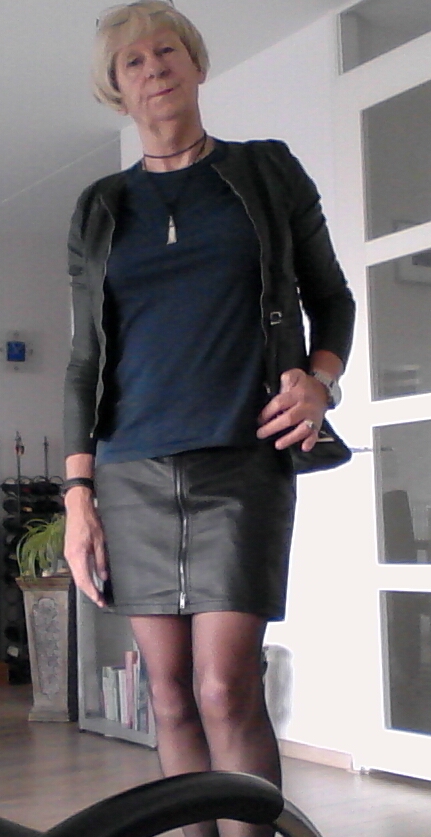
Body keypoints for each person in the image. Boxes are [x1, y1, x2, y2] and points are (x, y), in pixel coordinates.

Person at [63, 3, 355, 836]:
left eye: (166, 50)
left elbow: (331, 297)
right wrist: (79, 496)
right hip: (129, 469)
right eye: (131, 61)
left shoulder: (264, 171)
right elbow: (84, 357)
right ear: (116, 90)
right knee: (167, 694)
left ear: (194, 64)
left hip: (242, 459)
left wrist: (320, 382)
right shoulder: (99, 206)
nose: (152, 66)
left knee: (225, 685)